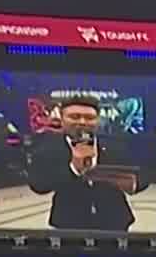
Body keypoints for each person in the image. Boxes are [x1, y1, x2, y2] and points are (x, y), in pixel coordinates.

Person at [27, 97, 135, 231]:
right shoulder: (47, 148)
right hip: (68, 223)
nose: (82, 122)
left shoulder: (116, 145)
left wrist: (133, 184)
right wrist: (73, 169)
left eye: (89, 118)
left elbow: (143, 174)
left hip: (116, 221)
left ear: (98, 120)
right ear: (62, 119)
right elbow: (38, 185)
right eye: (75, 117)